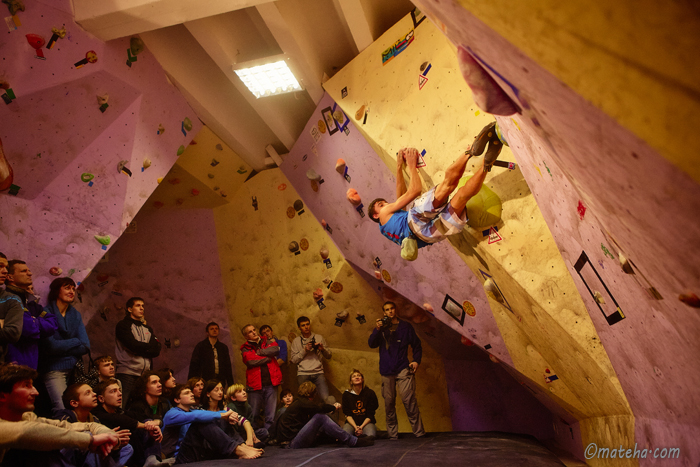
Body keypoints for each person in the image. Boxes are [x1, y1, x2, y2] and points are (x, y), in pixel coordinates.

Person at [367, 129, 503, 255]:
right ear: (375, 215)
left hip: (428, 236)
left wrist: (398, 167)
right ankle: (470, 152)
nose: (386, 204)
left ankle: (486, 165)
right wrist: (411, 165)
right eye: (381, 204)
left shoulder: (386, 230)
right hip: (413, 220)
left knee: (462, 196)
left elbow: (400, 197)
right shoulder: (385, 213)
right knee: (447, 185)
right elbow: (414, 191)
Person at [0, 363, 120, 465]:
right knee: (41, 445)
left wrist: (107, 435)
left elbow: (73, 426)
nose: (36, 392)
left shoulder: (26, 417)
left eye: (33, 386)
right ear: (2, 395)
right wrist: (90, 441)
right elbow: (32, 432)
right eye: (26, 386)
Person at [368, 301, 425, 439]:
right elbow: (371, 344)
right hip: (386, 370)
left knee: (409, 400)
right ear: (384, 312)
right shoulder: (381, 328)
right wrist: (377, 329)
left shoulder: (405, 327)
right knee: (389, 404)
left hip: (403, 368)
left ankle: (419, 433)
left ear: (395, 310)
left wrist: (416, 360)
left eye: (392, 308)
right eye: (387, 309)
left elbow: (417, 345)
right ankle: (392, 436)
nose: (390, 311)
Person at [161, 384, 262, 462]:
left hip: (198, 452)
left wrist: (227, 414)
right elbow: (196, 416)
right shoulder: (172, 414)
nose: (192, 394)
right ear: (177, 399)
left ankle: (241, 446)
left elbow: (208, 413)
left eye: (191, 392)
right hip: (178, 457)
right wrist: (223, 415)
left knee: (218, 419)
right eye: (187, 393)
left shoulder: (192, 410)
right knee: (201, 421)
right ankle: (237, 449)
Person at [54, 382, 133, 466]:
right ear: (74, 403)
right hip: (66, 458)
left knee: (127, 448)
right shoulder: (64, 418)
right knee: (90, 436)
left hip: (87, 457)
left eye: (92, 391)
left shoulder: (94, 419)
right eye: (88, 393)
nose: (94, 394)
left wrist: (112, 443)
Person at [276, 381, 374, 449]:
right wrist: (334, 407)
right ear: (313, 393)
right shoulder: (303, 403)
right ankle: (352, 441)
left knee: (320, 419)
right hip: (291, 443)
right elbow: (320, 408)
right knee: (320, 417)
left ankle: (343, 439)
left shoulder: (300, 403)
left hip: (292, 440)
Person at [41, 277, 90, 411]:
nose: (72, 291)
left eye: (73, 289)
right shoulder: (46, 313)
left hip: (74, 369)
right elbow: (51, 347)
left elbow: (85, 346)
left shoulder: (75, 314)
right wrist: (75, 341)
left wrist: (61, 347)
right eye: (67, 288)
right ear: (57, 291)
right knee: (62, 408)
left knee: (78, 408)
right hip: (53, 369)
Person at [93, 379, 165, 467]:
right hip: (108, 456)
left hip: (129, 453)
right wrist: (146, 426)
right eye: (113, 391)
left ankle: (152, 459)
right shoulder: (98, 415)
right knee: (129, 444)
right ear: (101, 398)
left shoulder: (118, 411)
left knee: (148, 421)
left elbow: (142, 417)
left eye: (119, 390)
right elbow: (121, 420)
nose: (120, 394)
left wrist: (156, 423)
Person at [3, 260, 57, 368]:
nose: (30, 273)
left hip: (30, 364)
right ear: (10, 277)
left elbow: (53, 322)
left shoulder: (30, 302)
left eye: (29, 270)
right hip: (13, 364)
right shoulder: (9, 299)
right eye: (24, 271)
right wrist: (36, 321)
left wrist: (33, 320)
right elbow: (29, 329)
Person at [115, 297, 161, 408]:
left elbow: (157, 349)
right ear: (129, 309)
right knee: (122, 405)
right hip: (127, 372)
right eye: (138, 305)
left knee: (139, 407)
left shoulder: (147, 329)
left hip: (144, 375)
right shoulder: (123, 325)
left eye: (143, 306)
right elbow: (132, 345)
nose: (142, 308)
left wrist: (141, 349)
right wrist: (146, 349)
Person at [240, 324, 281, 431]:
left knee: (270, 414)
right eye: (250, 332)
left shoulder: (266, 341)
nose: (254, 332)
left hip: (271, 383)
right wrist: (267, 358)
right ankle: (254, 436)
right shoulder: (245, 348)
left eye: (254, 330)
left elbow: (276, 349)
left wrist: (259, 353)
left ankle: (268, 436)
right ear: (246, 336)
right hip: (255, 385)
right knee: (253, 414)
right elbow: (250, 361)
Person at [289, 316, 332, 403]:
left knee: (325, 398)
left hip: (318, 372)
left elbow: (329, 355)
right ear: (299, 327)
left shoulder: (319, 337)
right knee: (304, 401)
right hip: (303, 374)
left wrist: (322, 349)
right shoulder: (296, 341)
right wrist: (305, 350)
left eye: (308, 324)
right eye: (303, 325)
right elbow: (293, 360)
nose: (306, 327)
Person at [187, 322, 233, 389]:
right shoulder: (201, 346)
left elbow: (227, 366)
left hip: (220, 379)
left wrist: (230, 384)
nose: (214, 330)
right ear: (207, 332)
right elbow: (194, 365)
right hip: (205, 379)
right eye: (212, 329)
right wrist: (191, 383)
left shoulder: (223, 347)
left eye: (216, 329)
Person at [0, 253, 24, 363]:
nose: (5, 271)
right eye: (0, 266)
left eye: (6, 267)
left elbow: (13, 333)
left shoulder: (12, 299)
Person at [341, 369, 379, 440]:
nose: (357, 377)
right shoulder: (346, 395)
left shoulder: (370, 393)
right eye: (354, 376)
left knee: (370, 436)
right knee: (345, 437)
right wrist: (356, 427)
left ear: (362, 379)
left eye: (359, 376)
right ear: (351, 381)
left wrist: (361, 427)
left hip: (366, 423)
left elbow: (370, 414)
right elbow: (347, 414)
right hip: (352, 423)